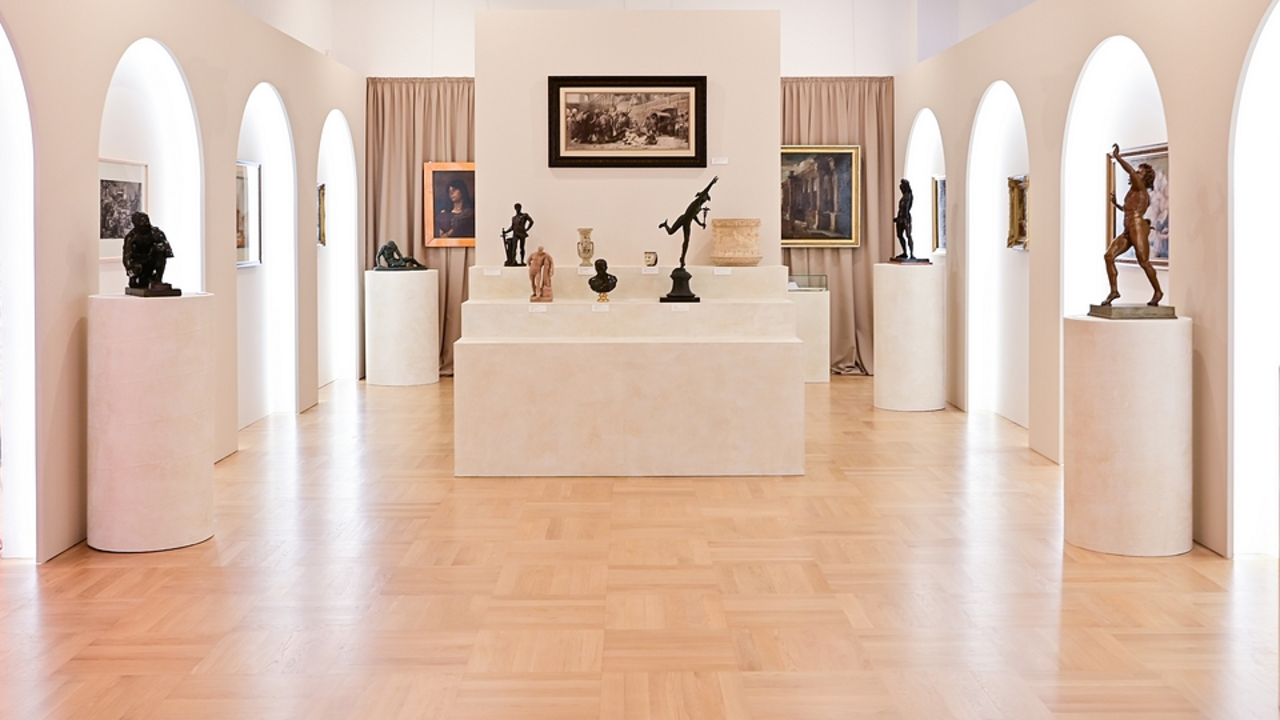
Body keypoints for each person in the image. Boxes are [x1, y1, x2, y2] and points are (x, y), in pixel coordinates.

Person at [1102, 143, 1163, 307]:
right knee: (1108, 256)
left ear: (1144, 178)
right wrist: (1117, 205)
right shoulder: (1135, 191)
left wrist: (1117, 157)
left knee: (1143, 261)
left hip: (1136, 225)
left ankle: (1158, 291)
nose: (1136, 173)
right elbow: (1130, 209)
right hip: (1128, 226)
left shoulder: (1140, 187)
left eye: (1139, 172)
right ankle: (1114, 291)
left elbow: (1129, 171)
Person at [658, 176, 718, 268]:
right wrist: (712, 183)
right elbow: (705, 190)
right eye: (705, 197)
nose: (706, 199)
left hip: (688, 222)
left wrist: (700, 223)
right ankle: (665, 225)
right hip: (683, 218)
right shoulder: (696, 202)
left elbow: (694, 217)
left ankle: (682, 258)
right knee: (670, 232)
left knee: (687, 240)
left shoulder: (699, 208)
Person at [122, 211, 173, 290]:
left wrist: (158, 247)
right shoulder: (131, 237)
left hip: (152, 260)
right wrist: (131, 269)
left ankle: (157, 280)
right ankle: (139, 279)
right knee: (137, 279)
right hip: (138, 263)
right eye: (142, 222)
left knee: (160, 252)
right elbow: (127, 257)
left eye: (147, 221)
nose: (146, 224)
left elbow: (167, 250)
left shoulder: (156, 233)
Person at [893, 178, 915, 260]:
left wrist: (903, 218)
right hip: (900, 218)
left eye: (902, 188)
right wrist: (898, 218)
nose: (901, 190)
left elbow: (906, 208)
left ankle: (911, 253)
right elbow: (901, 210)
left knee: (908, 235)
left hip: (905, 218)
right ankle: (905, 252)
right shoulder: (903, 197)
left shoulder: (909, 196)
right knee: (899, 235)